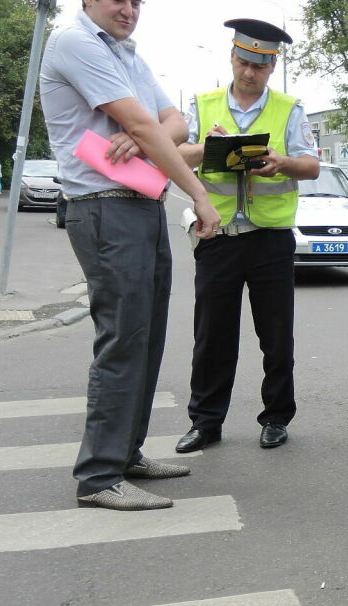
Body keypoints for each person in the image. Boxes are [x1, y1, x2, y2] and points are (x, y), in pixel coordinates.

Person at [40, 0, 220, 511]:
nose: (129, 8)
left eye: (138, 0)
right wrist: (199, 195)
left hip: (140, 204)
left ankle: (126, 453)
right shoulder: (75, 42)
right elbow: (149, 125)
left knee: (146, 337)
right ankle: (98, 476)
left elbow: (174, 122)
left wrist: (139, 137)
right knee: (122, 339)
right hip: (102, 209)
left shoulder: (128, 55)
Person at [173, 19, 320, 455]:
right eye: (243, 61)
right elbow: (176, 154)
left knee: (276, 337)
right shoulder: (202, 104)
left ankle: (276, 418)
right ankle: (205, 422)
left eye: (260, 64)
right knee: (211, 336)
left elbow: (311, 164)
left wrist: (282, 162)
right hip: (217, 236)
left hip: (269, 238)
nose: (249, 71)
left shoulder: (290, 109)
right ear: (231, 57)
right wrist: (207, 147)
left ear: (272, 65)